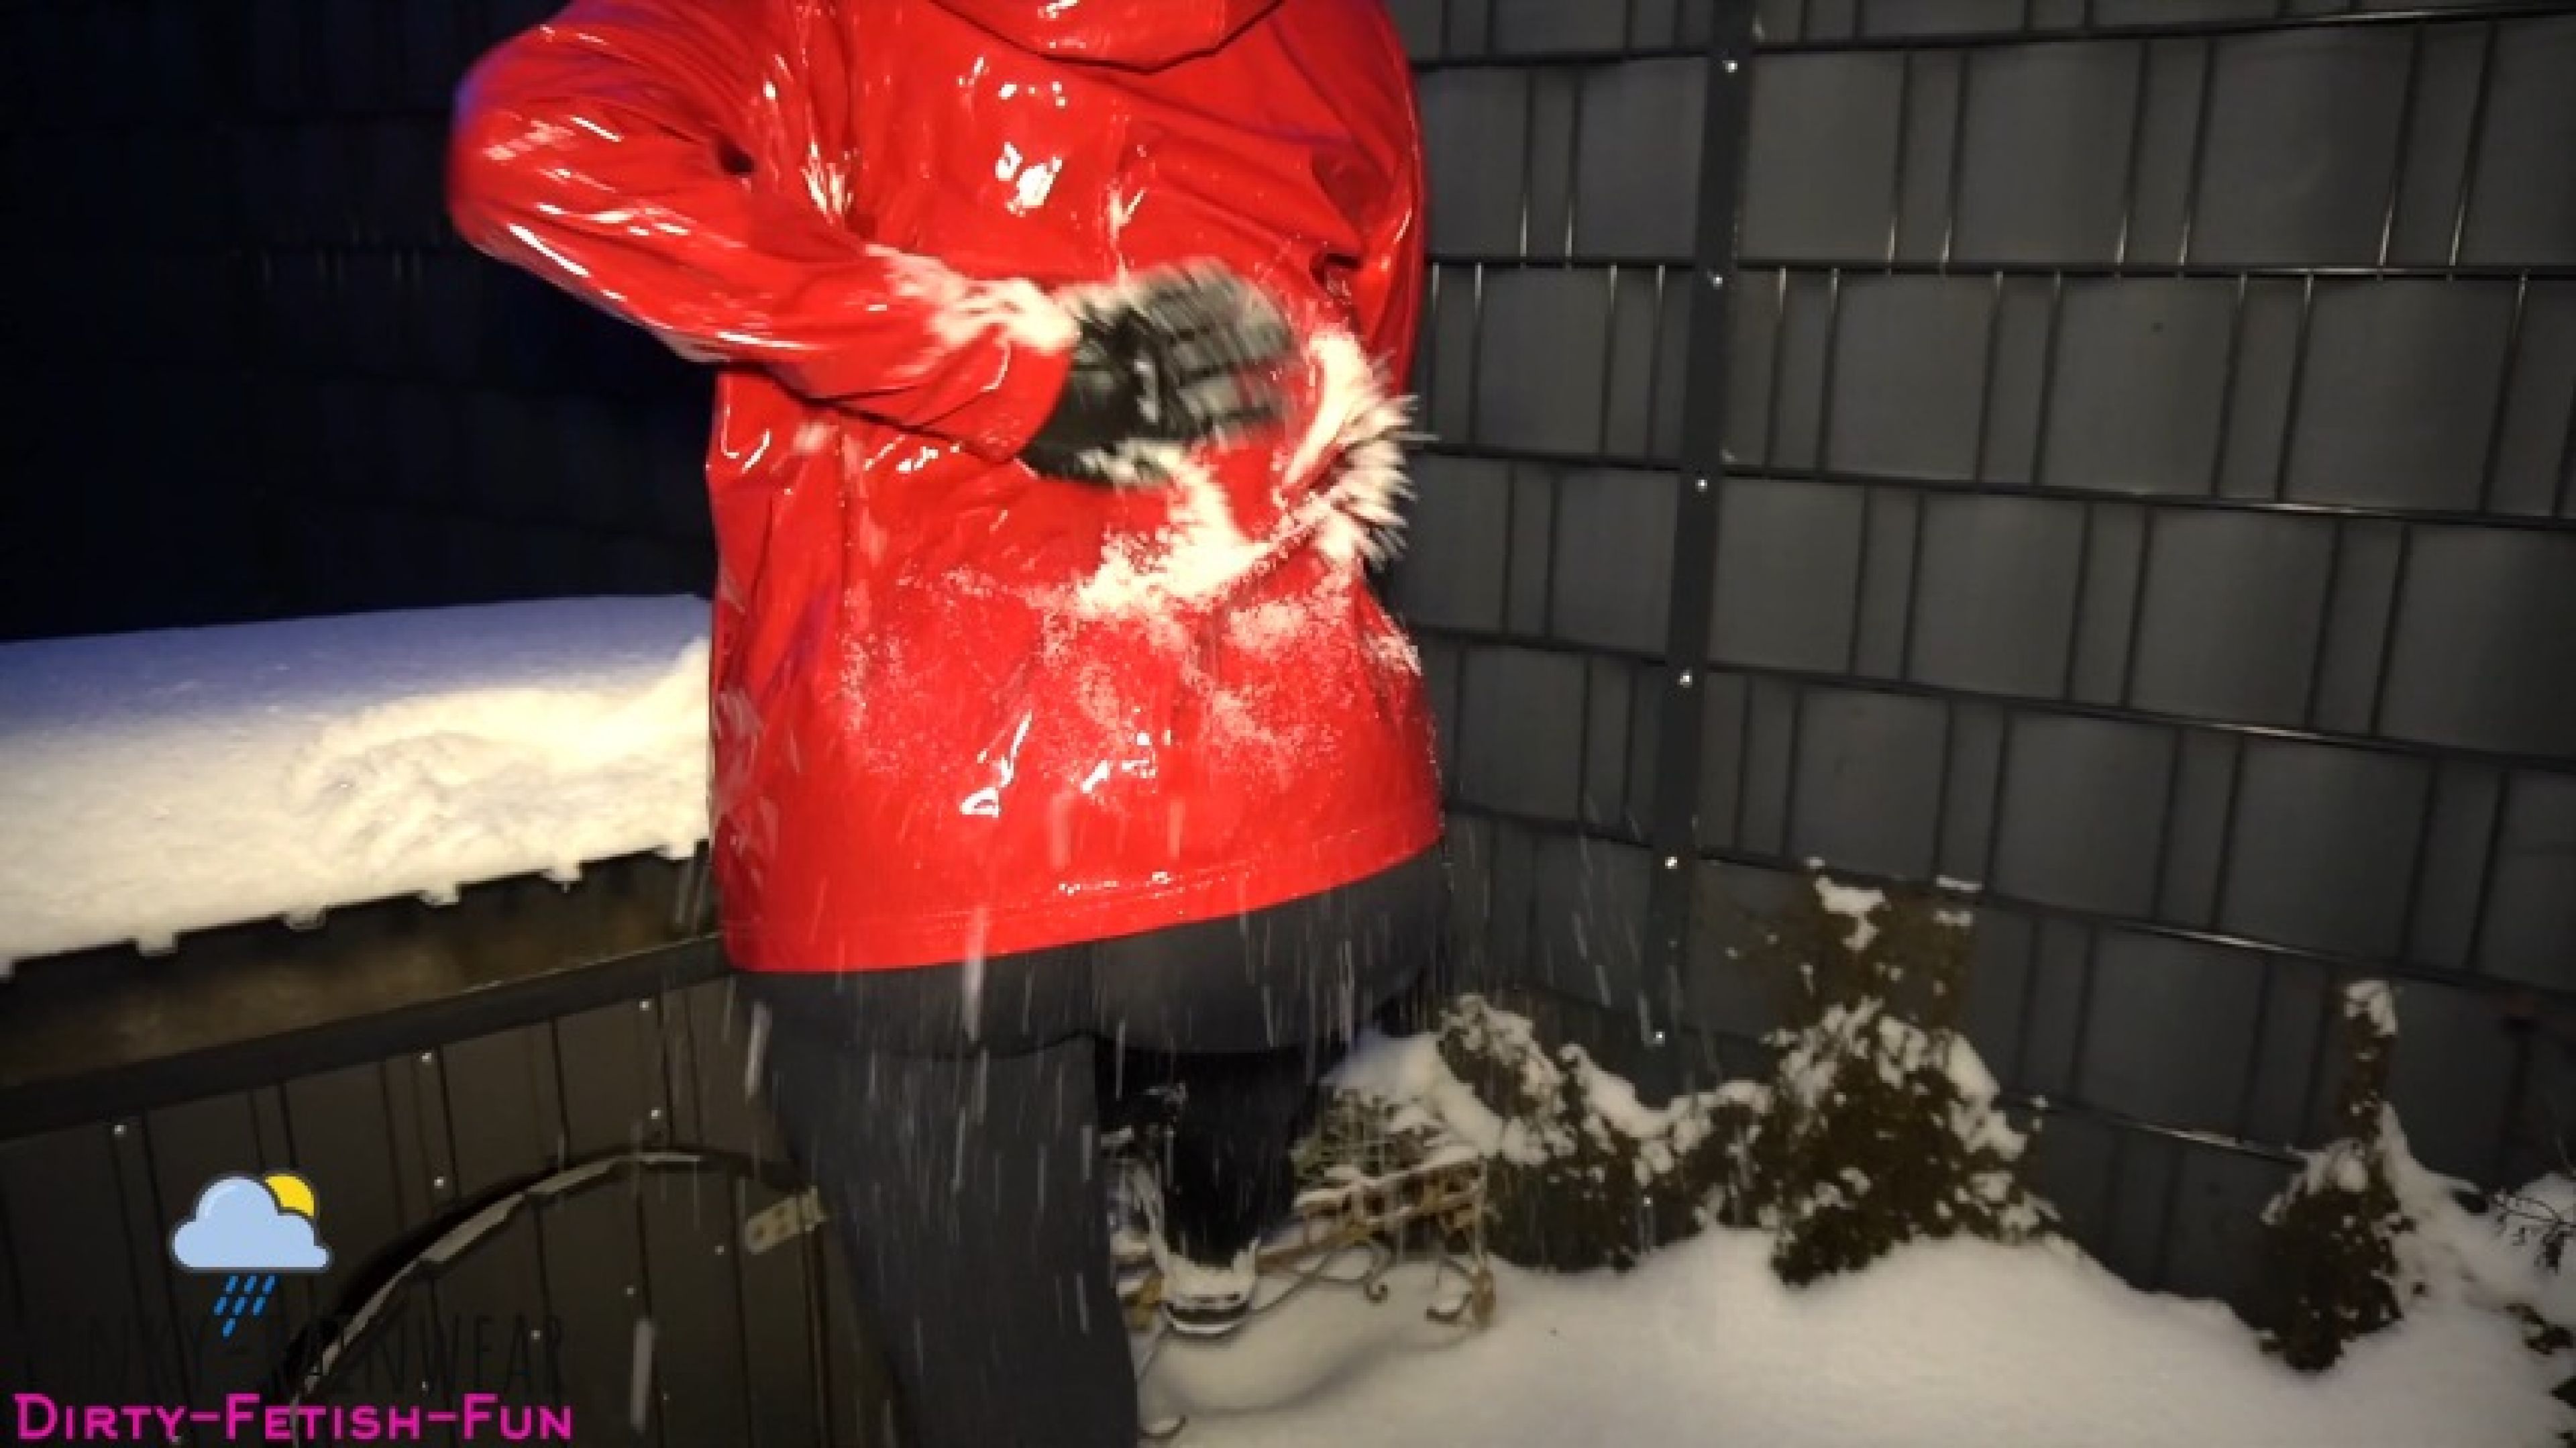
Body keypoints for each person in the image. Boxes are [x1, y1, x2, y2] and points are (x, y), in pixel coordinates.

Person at [449, 1, 1440, 1443]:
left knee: (1013, 1396)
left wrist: (1005, 365)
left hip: (915, 855)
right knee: (1271, 966)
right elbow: (1378, 353)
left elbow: (534, 149)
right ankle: (1222, 1203)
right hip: (1294, 804)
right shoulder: (1334, 23)